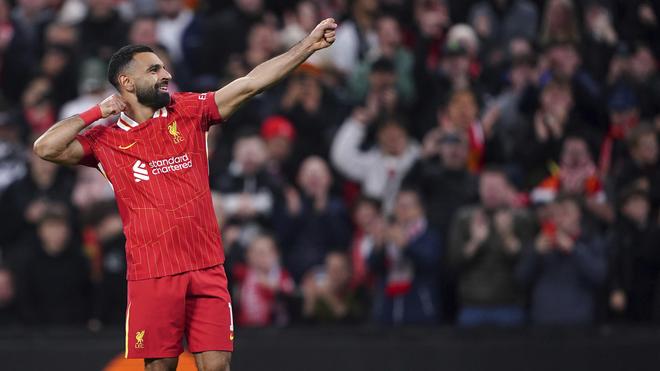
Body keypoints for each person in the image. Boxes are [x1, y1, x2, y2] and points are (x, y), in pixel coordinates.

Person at [33, 18, 338, 371]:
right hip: (153, 273)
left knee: (218, 365)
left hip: (206, 265)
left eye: (164, 67)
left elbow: (250, 84)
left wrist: (307, 47)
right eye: (154, 69)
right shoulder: (107, 141)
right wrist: (96, 112)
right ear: (127, 82)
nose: (166, 74)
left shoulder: (190, 111)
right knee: (160, 366)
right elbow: (45, 147)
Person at [516, 195, 607, 325]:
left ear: (578, 215)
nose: (560, 219)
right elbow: (521, 278)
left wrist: (573, 249)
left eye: (566, 213)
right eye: (555, 214)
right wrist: (535, 254)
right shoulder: (540, 241)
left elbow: (599, 276)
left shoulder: (591, 240)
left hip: (578, 321)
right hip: (543, 321)